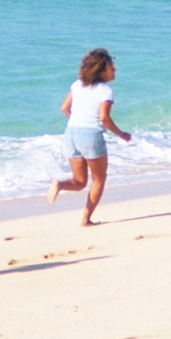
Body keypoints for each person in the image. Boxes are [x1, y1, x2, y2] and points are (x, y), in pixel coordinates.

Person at [47, 48, 133, 226]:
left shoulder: (77, 85)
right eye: (111, 67)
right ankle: (85, 219)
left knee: (79, 182)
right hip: (91, 135)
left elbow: (64, 108)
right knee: (99, 179)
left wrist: (78, 122)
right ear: (101, 71)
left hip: (71, 133)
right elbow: (104, 118)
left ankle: (59, 184)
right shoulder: (105, 91)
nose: (114, 70)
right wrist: (122, 134)